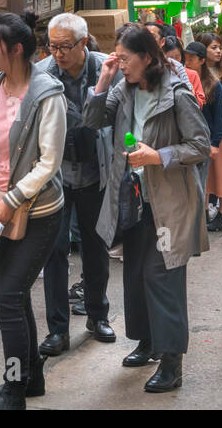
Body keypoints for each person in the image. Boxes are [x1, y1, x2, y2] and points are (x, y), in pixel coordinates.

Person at [84, 25, 210, 393]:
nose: (119, 64)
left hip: (168, 201)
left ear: (147, 57)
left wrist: (159, 156)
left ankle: (172, 362)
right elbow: (93, 122)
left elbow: (200, 145)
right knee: (136, 273)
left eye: (124, 59)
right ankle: (147, 342)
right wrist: (103, 80)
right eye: (116, 58)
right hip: (132, 197)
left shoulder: (178, 92)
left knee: (162, 276)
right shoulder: (123, 87)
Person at [0, 13, 67, 409]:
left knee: (6, 296)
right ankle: (31, 376)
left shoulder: (46, 94)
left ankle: (14, 390)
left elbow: (49, 162)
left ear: (16, 49)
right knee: (15, 296)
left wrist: (12, 199)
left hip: (37, 212)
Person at [32, 13, 115, 356]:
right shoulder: (43, 73)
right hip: (57, 175)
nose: (59, 53)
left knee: (97, 249)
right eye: (53, 46)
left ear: (83, 43)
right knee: (54, 252)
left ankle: (98, 315)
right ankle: (57, 330)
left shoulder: (106, 69)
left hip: (96, 171)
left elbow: (113, 117)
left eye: (66, 46)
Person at [196, 34, 222, 233]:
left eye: (220, 47)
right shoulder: (195, 72)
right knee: (204, 172)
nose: (219, 51)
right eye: (214, 47)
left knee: (221, 171)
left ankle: (221, 214)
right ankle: (203, 212)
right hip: (200, 129)